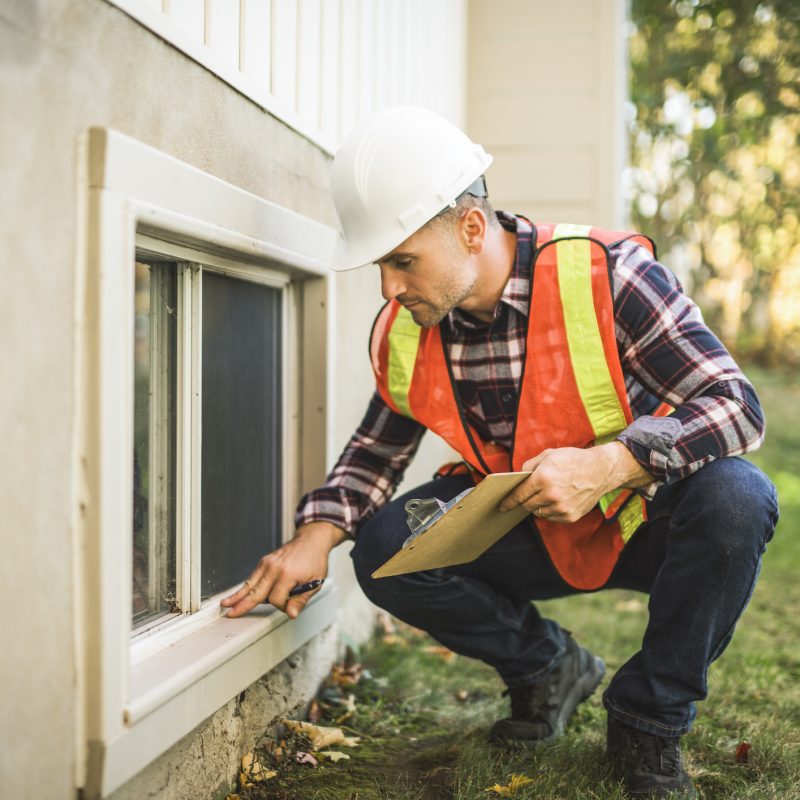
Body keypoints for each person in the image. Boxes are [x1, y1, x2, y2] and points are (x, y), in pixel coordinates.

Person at [221, 107, 779, 799]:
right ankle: (548, 667)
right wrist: (316, 535)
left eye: (402, 261)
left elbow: (735, 404)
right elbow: (376, 451)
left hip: (644, 515)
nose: (389, 288)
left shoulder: (609, 276)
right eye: (382, 265)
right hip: (530, 525)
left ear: (471, 228)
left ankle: (649, 721)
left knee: (739, 496)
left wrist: (610, 465)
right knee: (386, 548)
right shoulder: (409, 326)